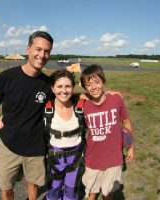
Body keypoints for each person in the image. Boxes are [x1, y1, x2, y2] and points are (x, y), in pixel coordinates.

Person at [0, 30, 53, 200]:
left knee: (33, 186)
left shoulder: (48, 84)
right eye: (38, 49)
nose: (42, 55)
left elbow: (66, 95)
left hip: (36, 148)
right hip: (8, 146)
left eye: (47, 51)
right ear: (28, 49)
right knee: (6, 189)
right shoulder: (7, 77)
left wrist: (93, 95)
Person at [80, 64, 134, 200]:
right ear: (84, 87)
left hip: (113, 159)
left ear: (103, 81)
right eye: (89, 84)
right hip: (92, 159)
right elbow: (65, 94)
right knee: (91, 195)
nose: (94, 87)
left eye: (97, 82)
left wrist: (131, 147)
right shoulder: (83, 104)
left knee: (107, 194)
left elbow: (126, 123)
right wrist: (81, 95)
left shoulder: (116, 99)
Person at [44, 69, 86, 200]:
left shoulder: (80, 106)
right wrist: (4, 118)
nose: (64, 90)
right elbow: (25, 113)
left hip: (76, 159)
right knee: (53, 191)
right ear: (52, 88)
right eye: (59, 86)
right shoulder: (46, 109)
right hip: (55, 160)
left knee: (71, 192)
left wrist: (108, 94)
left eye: (68, 86)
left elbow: (100, 102)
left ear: (73, 87)